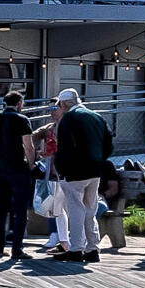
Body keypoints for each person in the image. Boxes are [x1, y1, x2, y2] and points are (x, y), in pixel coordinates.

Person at [47, 90, 113, 261]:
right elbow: (108, 144)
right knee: (90, 209)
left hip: (74, 171)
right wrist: (99, 161)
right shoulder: (97, 116)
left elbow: (65, 147)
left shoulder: (69, 118)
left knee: (75, 210)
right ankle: (92, 249)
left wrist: (61, 168)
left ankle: (76, 248)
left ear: (63, 104)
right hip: (95, 170)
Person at [0, 91, 34, 260]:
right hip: (18, 166)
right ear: (19, 103)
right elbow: (28, 146)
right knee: (20, 209)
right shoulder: (22, 120)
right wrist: (32, 164)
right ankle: (17, 249)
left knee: (1, 208)